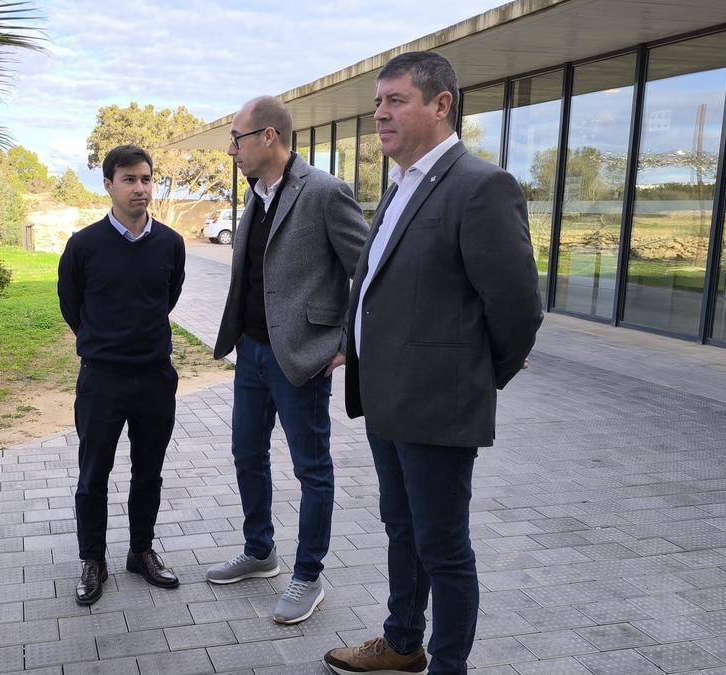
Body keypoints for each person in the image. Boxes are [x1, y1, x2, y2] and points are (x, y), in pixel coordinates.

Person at [323, 52, 542, 674]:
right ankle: (401, 643)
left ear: (441, 104)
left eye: (395, 101)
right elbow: (375, 285)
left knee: (443, 547)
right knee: (403, 530)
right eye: (377, 104)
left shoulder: (480, 186)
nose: (380, 115)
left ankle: (449, 666)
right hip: (389, 399)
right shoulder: (402, 187)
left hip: (436, 405)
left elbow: (519, 305)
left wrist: (473, 374)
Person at [209, 96, 368, 624]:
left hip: (300, 356)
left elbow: (368, 271)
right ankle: (260, 553)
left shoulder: (324, 192)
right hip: (251, 352)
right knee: (246, 454)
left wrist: (346, 342)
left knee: (311, 469)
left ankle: (308, 574)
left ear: (269, 137)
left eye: (238, 138)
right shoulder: (255, 194)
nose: (232, 148)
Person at [57, 144, 186, 606]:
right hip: (102, 380)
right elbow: (72, 308)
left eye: (147, 179)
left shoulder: (171, 243)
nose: (140, 188)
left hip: (155, 378)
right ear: (108, 184)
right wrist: (104, 343)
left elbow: (167, 298)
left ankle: (141, 551)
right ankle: (93, 558)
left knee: (148, 472)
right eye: (129, 179)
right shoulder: (84, 246)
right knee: (94, 473)